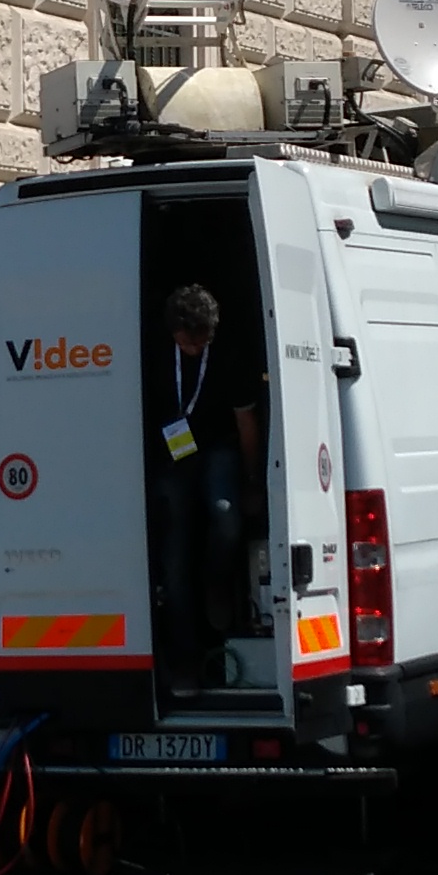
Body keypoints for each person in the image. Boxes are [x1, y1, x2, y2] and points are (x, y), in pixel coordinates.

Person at [145, 282, 265, 693]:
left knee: (226, 513)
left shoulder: (229, 353)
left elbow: (246, 423)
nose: (195, 349)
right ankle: (185, 658)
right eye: (188, 343)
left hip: (217, 447)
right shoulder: (154, 351)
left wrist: (252, 481)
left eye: (202, 342)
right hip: (172, 454)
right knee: (173, 558)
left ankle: (217, 580)